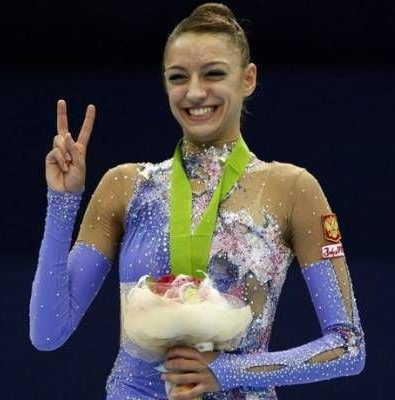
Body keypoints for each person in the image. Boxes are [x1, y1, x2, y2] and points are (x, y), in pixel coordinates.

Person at [29, 3, 365, 399]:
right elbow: (48, 332)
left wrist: (229, 370)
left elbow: (348, 348)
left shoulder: (292, 189)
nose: (194, 92)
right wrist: (63, 201)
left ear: (248, 79)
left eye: (213, 74)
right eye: (178, 77)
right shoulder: (125, 186)